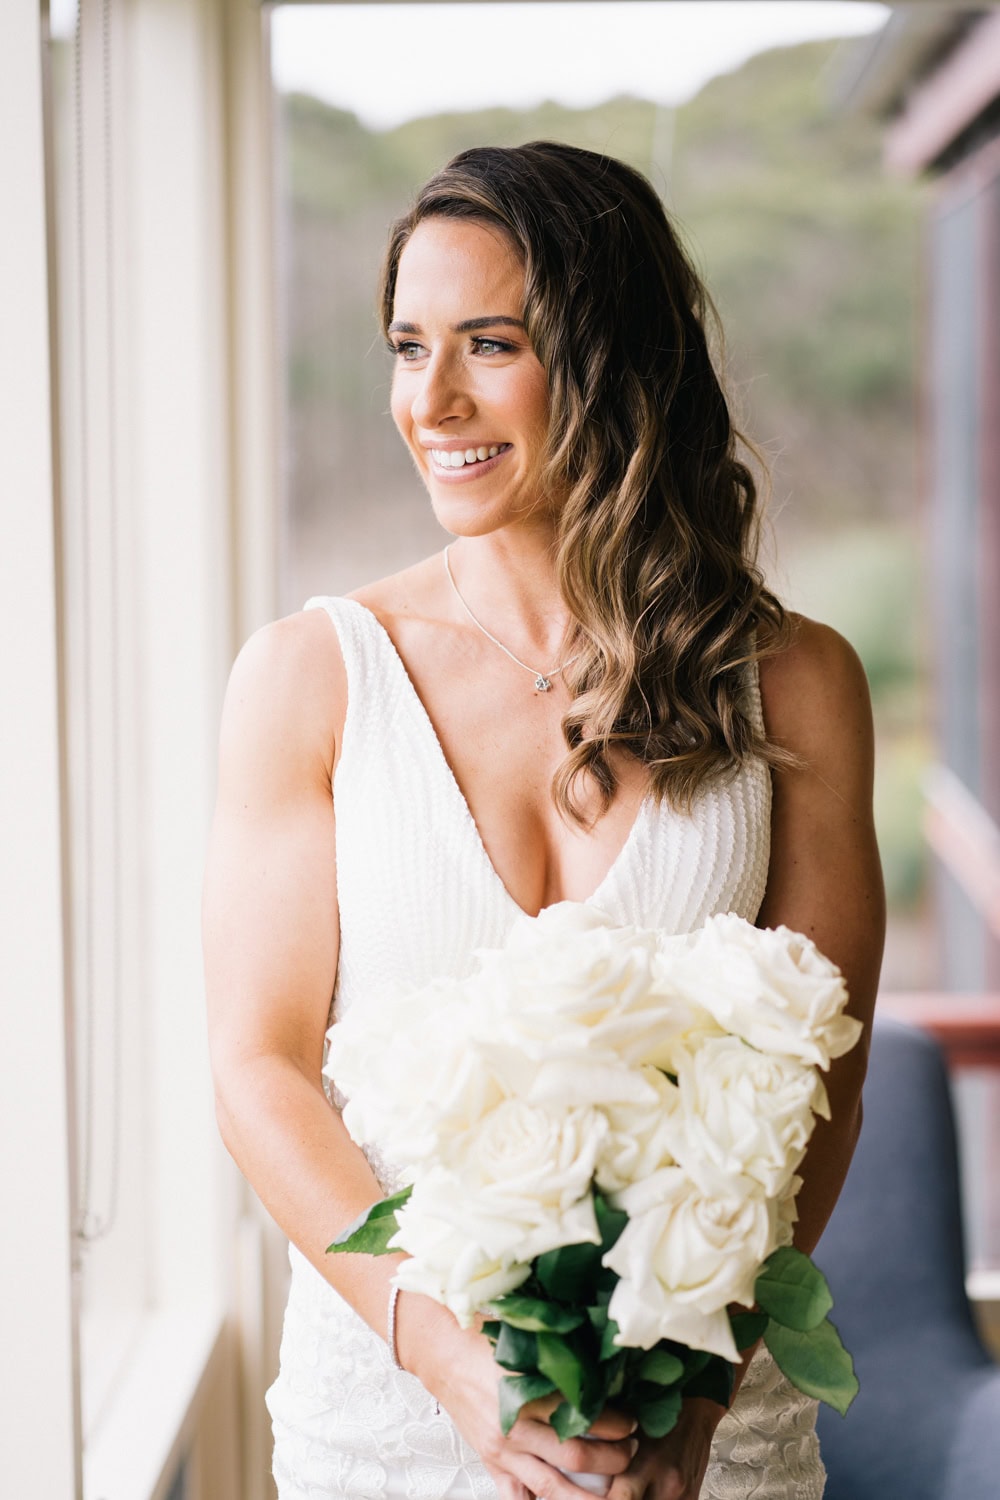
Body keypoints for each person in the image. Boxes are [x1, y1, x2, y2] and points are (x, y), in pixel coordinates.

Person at [203, 141, 884, 1500]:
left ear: (612, 364)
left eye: (490, 344)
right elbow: (257, 1071)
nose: (432, 401)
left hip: (700, 1443)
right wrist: (449, 1358)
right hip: (392, 1426)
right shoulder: (311, 679)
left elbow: (826, 1077)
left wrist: (698, 1389)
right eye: (408, 348)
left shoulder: (795, 680)